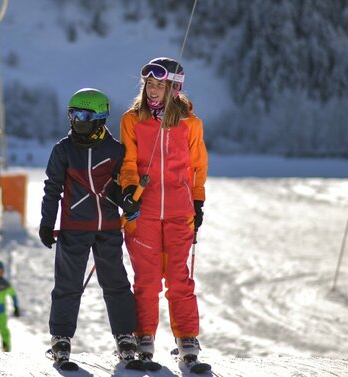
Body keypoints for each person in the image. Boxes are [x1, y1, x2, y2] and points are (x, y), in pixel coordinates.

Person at [39, 88, 138, 365]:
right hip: (74, 227)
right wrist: (47, 222)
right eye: (72, 114)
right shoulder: (64, 149)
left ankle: (125, 336)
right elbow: (52, 188)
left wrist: (128, 201)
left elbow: (118, 189)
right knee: (68, 285)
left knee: (116, 283)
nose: (76, 120)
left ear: (99, 118)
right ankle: (60, 337)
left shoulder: (116, 150)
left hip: (107, 228)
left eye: (82, 115)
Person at [119, 57, 208, 365]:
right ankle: (144, 335)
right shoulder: (132, 120)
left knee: (179, 278)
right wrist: (129, 190)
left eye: (160, 85)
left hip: (179, 212)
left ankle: (186, 338)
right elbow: (128, 162)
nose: (153, 91)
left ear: (175, 88)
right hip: (142, 212)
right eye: (149, 85)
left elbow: (198, 167)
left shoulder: (190, 124)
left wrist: (198, 201)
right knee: (146, 279)